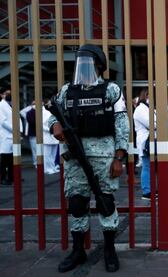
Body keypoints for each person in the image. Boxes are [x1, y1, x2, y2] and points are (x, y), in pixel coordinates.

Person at [49, 44, 129, 273]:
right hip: (75, 158)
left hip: (104, 156)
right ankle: (77, 250)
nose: (83, 69)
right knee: (76, 203)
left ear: (99, 66)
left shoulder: (111, 90)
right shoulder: (67, 91)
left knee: (105, 202)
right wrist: (54, 124)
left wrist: (119, 157)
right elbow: (52, 116)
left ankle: (109, 249)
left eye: (89, 64)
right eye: (80, 64)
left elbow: (122, 123)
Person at [133, 89, 156, 200]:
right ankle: (146, 191)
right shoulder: (140, 109)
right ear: (145, 96)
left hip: (149, 140)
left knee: (150, 166)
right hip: (145, 141)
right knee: (146, 166)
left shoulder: (147, 108)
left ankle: (150, 189)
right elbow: (151, 123)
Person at [0, 88, 22, 186]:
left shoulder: (11, 104)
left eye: (10, 92)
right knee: (5, 159)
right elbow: (3, 122)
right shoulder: (1, 105)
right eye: (6, 93)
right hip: (6, 135)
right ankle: (3, 178)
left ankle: (12, 177)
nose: (9, 94)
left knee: (12, 158)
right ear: (1, 95)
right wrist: (16, 130)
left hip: (13, 135)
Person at [42, 96, 60, 175]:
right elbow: (42, 124)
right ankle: (47, 168)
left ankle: (52, 167)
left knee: (53, 154)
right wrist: (50, 129)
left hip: (53, 135)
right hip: (47, 135)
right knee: (47, 154)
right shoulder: (42, 111)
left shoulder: (53, 110)